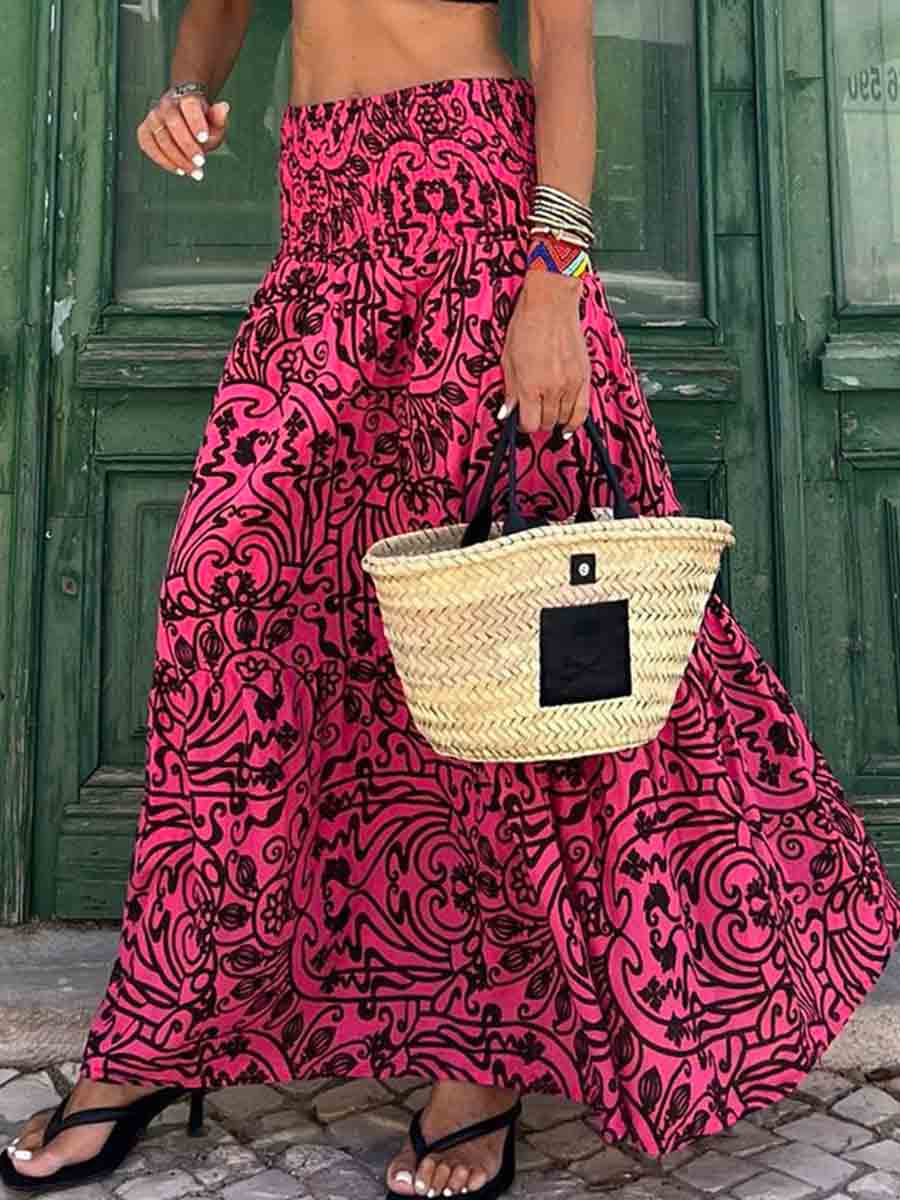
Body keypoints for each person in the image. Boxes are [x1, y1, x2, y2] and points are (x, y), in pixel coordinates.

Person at [5, 0, 900, 1195]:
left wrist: (554, 287)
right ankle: (162, 1032)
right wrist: (186, 86)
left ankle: (481, 1059)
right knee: (231, 611)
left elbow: (564, 47)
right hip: (324, 228)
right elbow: (218, 10)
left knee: (503, 653)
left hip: (476, 222)